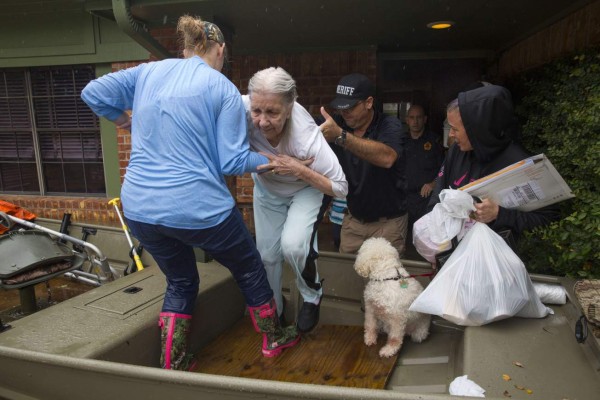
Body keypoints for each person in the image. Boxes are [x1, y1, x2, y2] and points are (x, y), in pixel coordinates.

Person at [81, 16, 299, 369]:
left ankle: (175, 361)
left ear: (184, 48)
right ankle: (273, 337)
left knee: (181, 281)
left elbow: (92, 93)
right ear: (221, 50)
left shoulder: (147, 73)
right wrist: (273, 160)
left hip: (140, 209)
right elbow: (231, 161)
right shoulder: (222, 88)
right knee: (248, 268)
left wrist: (124, 120)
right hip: (200, 209)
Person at [245, 67, 348, 333]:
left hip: (305, 188)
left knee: (293, 247)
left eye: (273, 113)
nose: (263, 122)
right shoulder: (239, 109)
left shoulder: (307, 137)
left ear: (290, 107)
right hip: (268, 189)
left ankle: (312, 295)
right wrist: (267, 161)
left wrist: (300, 169)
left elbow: (340, 188)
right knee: (267, 256)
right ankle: (275, 313)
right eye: (257, 111)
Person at [427, 84, 560, 239]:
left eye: (455, 129)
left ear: (477, 129)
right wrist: (436, 240)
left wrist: (499, 214)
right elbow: (437, 197)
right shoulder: (457, 151)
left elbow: (548, 220)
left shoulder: (520, 164)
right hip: (452, 253)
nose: (450, 135)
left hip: (494, 257)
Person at [318, 73, 408, 256]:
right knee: (347, 278)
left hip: (388, 225)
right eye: (341, 108)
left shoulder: (389, 125)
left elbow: (387, 158)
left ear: (368, 102)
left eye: (350, 107)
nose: (344, 112)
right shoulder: (339, 123)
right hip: (353, 222)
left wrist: (341, 137)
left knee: (385, 281)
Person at [405, 105, 444, 232]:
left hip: (427, 200)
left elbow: (446, 168)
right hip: (405, 199)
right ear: (407, 120)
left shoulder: (435, 141)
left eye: (419, 117)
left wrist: (434, 184)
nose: (415, 121)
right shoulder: (400, 141)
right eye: (412, 118)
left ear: (425, 119)